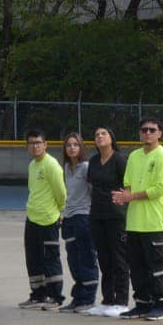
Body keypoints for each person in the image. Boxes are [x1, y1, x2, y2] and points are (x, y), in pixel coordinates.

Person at [112, 117, 163, 321]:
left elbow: (160, 188)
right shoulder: (134, 156)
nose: (147, 133)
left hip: (154, 223)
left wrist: (131, 196)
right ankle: (143, 303)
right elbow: (128, 183)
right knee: (137, 267)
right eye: (144, 130)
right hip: (134, 223)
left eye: (152, 130)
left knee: (157, 267)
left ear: (160, 133)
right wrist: (124, 196)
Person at [19, 128, 66, 310]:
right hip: (32, 218)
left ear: (45, 145)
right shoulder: (32, 165)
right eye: (31, 143)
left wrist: (60, 211)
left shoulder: (51, 165)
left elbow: (61, 192)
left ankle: (55, 297)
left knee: (50, 258)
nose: (35, 146)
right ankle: (38, 295)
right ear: (27, 146)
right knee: (33, 258)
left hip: (48, 219)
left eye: (38, 142)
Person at [86, 126, 129, 317]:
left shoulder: (120, 160)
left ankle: (121, 301)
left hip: (116, 216)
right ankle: (107, 300)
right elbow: (91, 185)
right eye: (96, 135)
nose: (99, 137)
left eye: (103, 133)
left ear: (111, 138)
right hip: (97, 215)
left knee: (119, 258)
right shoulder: (94, 161)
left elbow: (129, 186)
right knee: (104, 258)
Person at [59, 131, 99, 313]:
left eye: (75, 144)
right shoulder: (66, 168)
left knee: (86, 259)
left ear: (81, 147)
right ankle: (78, 297)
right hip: (69, 219)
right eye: (69, 145)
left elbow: (93, 192)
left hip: (83, 218)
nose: (72, 148)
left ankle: (88, 298)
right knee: (73, 260)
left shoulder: (86, 167)